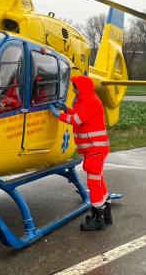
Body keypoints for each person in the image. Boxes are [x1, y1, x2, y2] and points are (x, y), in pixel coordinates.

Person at [48, 75, 111, 231]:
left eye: (75, 87)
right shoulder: (88, 99)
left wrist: (59, 115)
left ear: (81, 88)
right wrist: (67, 109)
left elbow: (76, 119)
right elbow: (80, 114)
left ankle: (99, 219)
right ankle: (105, 211)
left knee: (93, 182)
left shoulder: (89, 101)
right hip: (94, 148)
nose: (73, 89)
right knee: (98, 180)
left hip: (95, 149)